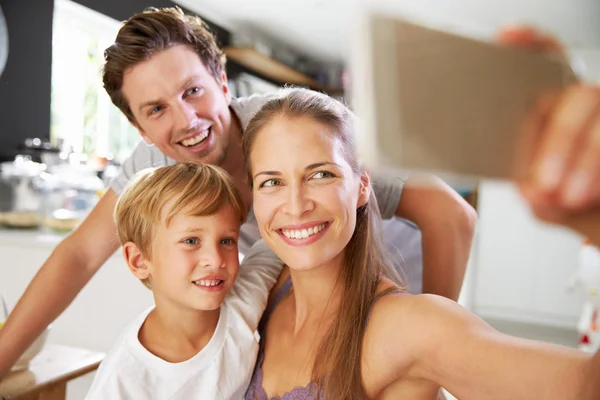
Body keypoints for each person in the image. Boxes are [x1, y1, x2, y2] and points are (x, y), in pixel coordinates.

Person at [0, 7, 476, 379]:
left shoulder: (298, 123)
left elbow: (452, 217)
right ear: (138, 127)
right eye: (157, 109)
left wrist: (432, 337)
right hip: (322, 310)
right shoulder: (157, 160)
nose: (185, 121)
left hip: (404, 288)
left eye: (192, 91)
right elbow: (79, 255)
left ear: (222, 81)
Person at [241, 86, 600, 400]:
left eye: (321, 174)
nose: (295, 205)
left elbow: (586, 387)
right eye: (272, 182)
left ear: (363, 184)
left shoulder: (408, 327)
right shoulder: (265, 292)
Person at [86, 163, 283, 400]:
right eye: (191, 241)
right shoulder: (123, 379)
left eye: (227, 241)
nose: (215, 259)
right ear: (139, 261)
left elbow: (277, 241)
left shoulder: (243, 298)